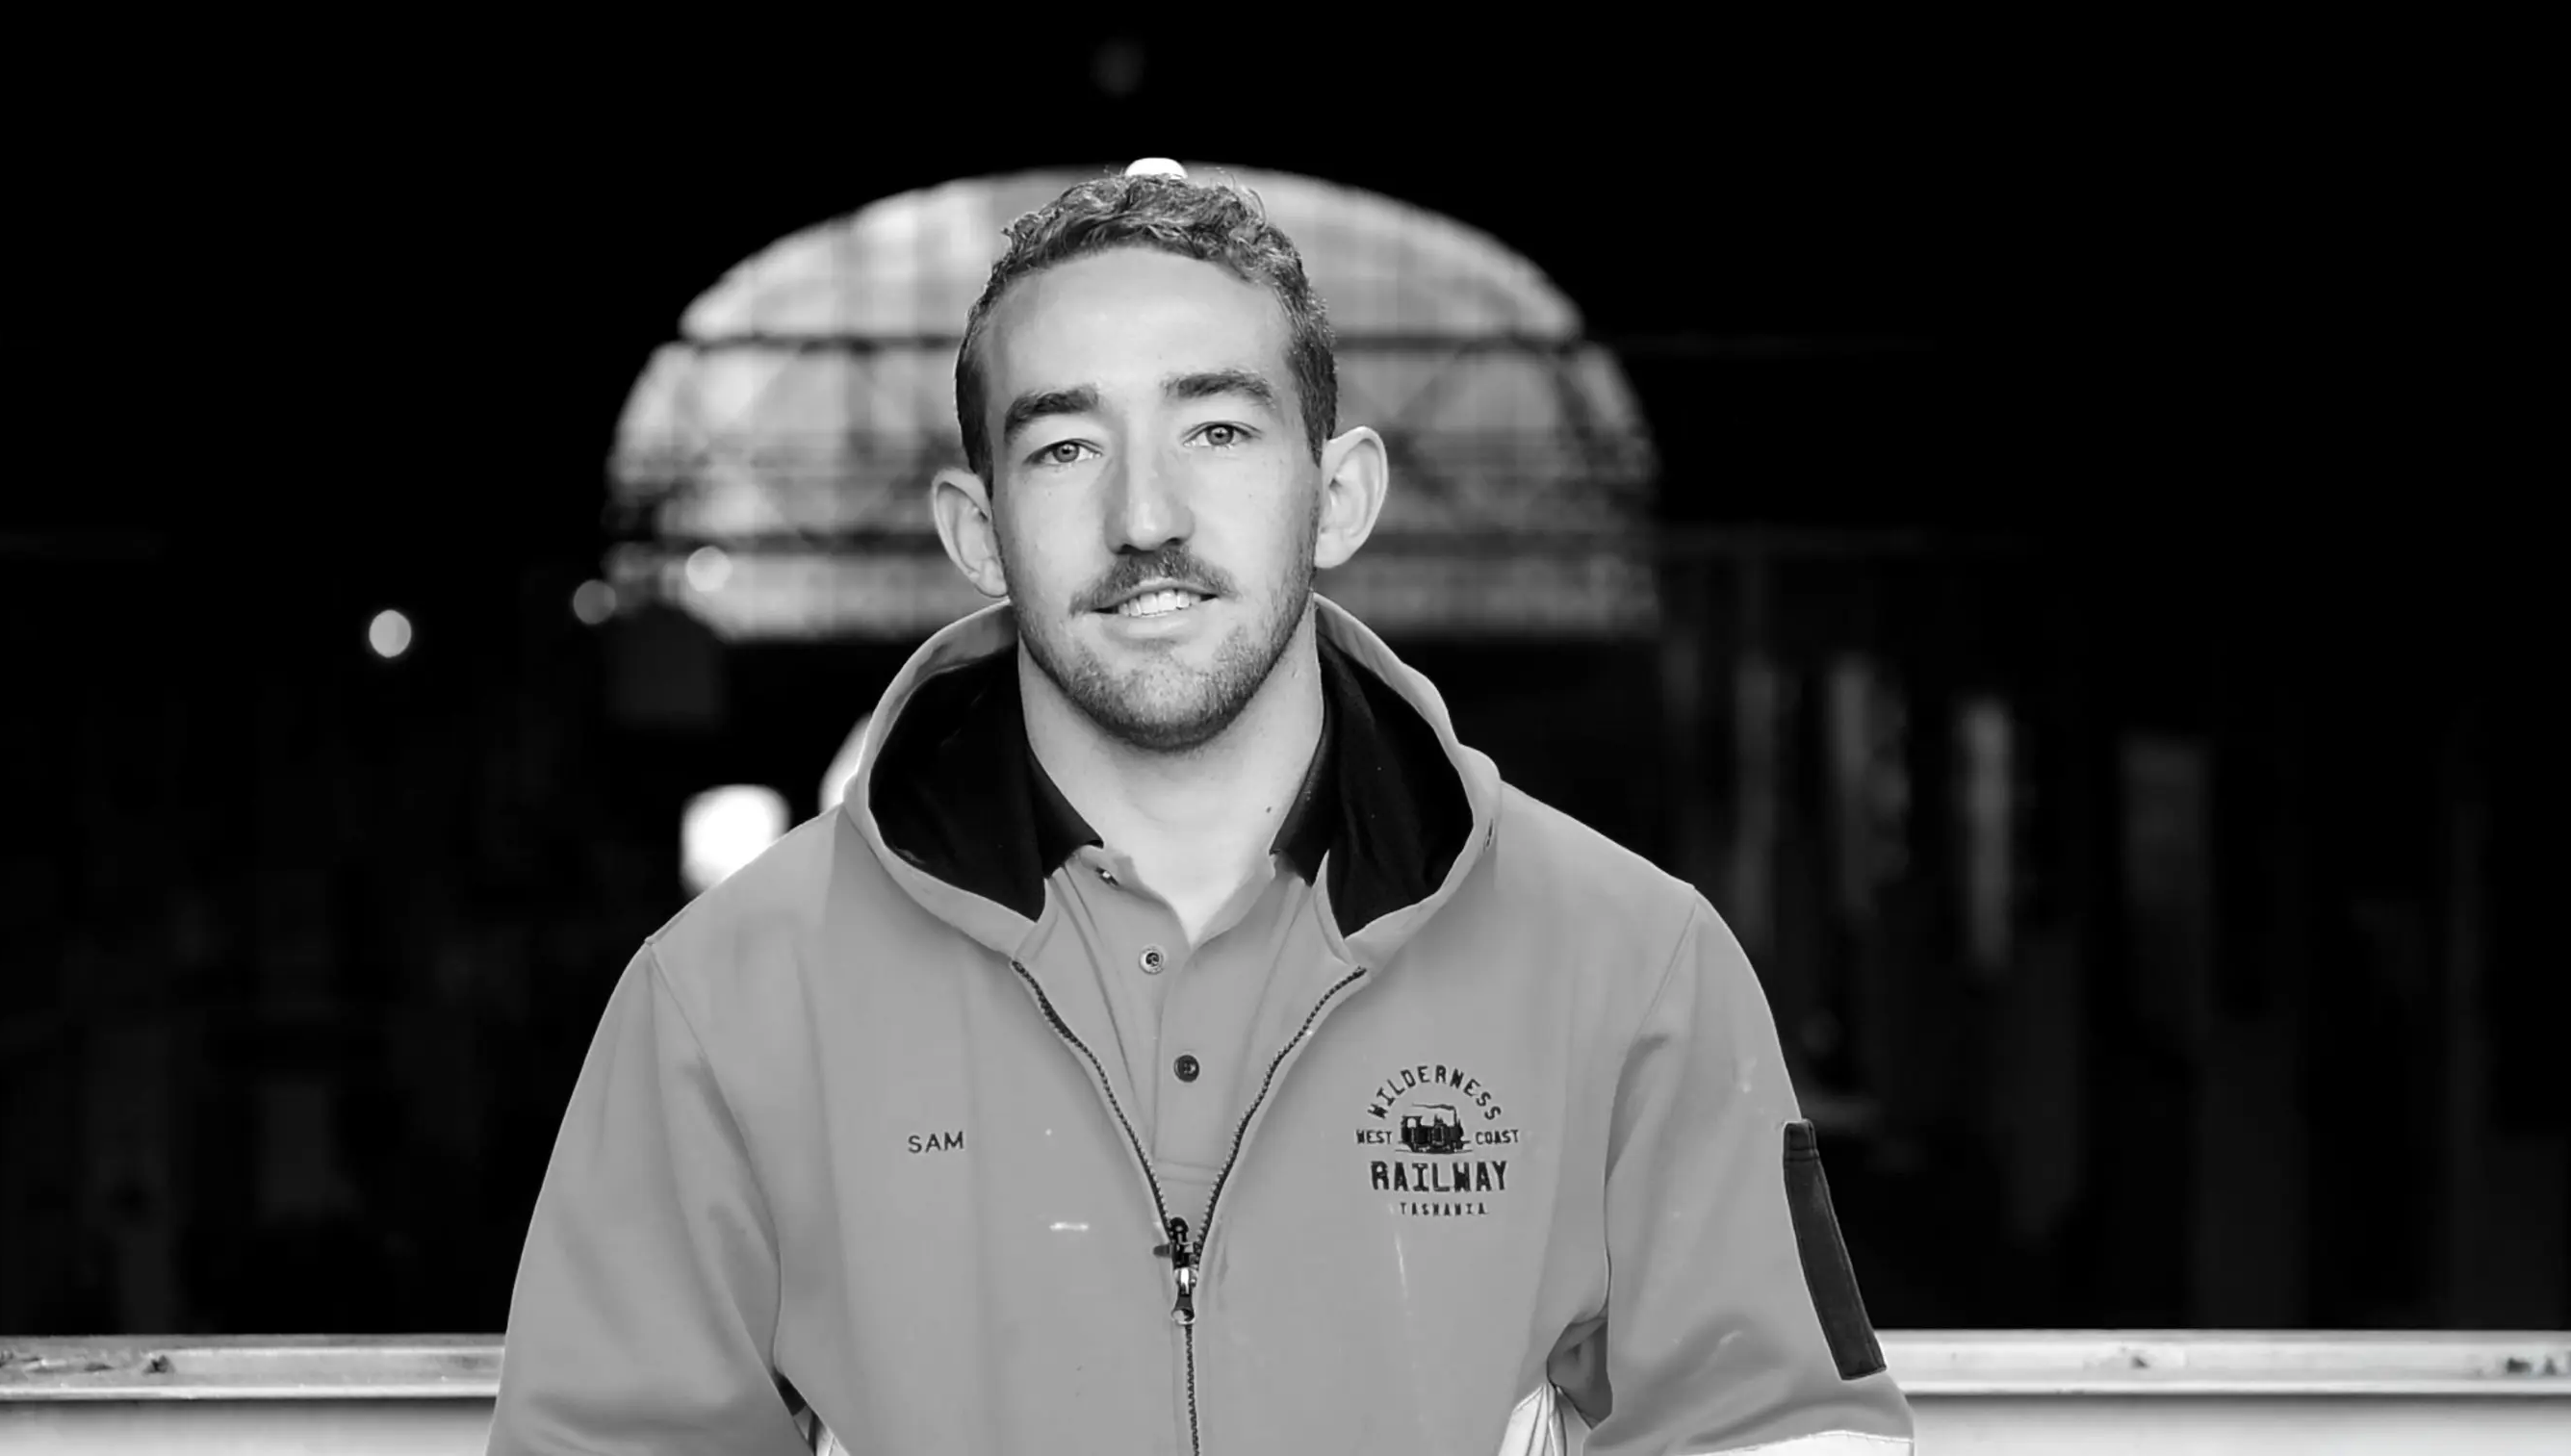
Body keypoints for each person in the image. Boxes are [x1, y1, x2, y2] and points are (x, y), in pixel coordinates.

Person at [489, 164, 1915, 1455]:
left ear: (1339, 494)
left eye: (1220, 429)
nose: (1146, 516)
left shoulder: (1630, 963)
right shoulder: (729, 1001)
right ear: (974, 530)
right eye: (1062, 448)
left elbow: (1780, 1431)